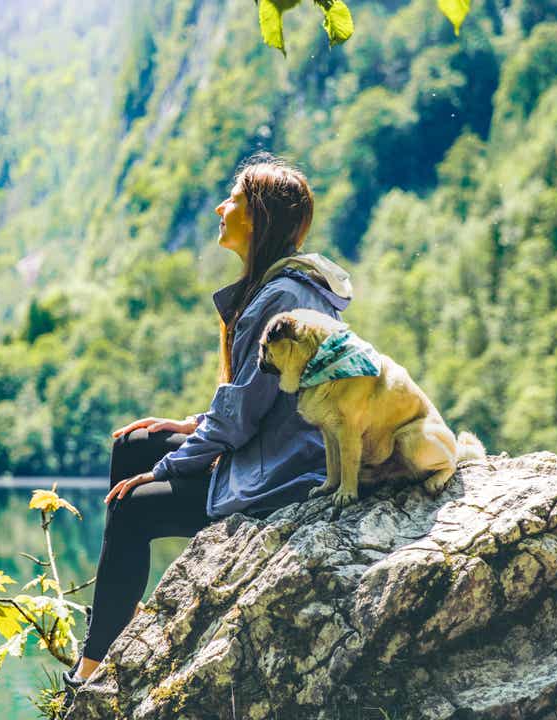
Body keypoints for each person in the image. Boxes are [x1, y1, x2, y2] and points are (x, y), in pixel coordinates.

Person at [62, 151, 353, 696]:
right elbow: (258, 399)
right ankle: (115, 618)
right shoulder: (285, 286)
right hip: (273, 452)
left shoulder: (281, 297)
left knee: (130, 505)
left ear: (258, 217)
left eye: (234, 199)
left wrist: (167, 468)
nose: (222, 208)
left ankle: (93, 666)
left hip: (281, 478)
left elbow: (243, 418)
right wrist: (188, 426)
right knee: (135, 444)